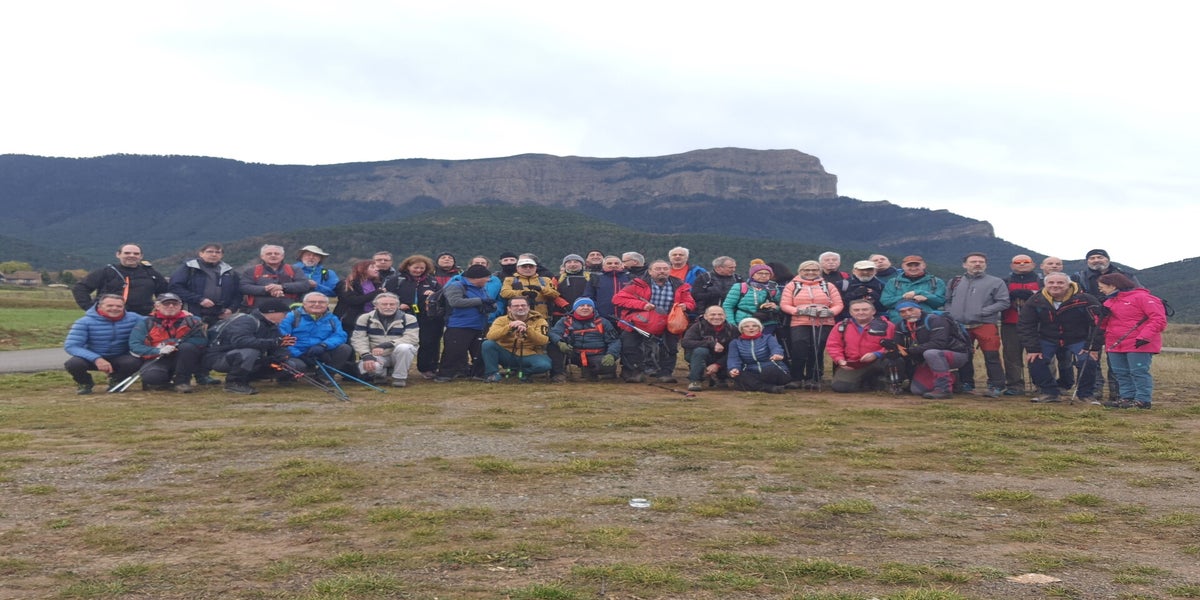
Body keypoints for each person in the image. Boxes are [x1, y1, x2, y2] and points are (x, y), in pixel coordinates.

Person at [1017, 273, 1103, 403]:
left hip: (1078, 338)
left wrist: (1092, 346)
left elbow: (1098, 323)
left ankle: (1085, 394)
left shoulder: (1086, 299)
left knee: (1088, 360)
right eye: (1051, 283)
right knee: (1035, 359)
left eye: (1060, 283)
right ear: (1045, 284)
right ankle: (1049, 392)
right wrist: (1032, 348)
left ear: (1068, 284)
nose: (1055, 285)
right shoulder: (1035, 300)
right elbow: (1026, 325)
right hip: (1048, 337)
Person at [1072, 248, 1142, 401]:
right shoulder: (1079, 277)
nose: (1096, 260)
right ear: (1087, 261)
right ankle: (1094, 390)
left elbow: (1137, 294)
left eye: (1100, 257)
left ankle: (1118, 392)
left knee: (1117, 358)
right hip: (1089, 322)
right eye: (1092, 258)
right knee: (1091, 356)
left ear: (1108, 259)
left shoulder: (1125, 275)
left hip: (1118, 321)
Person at [613, 259, 696, 383]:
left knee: (670, 348)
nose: (662, 271)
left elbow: (690, 302)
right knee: (630, 346)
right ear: (650, 271)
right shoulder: (637, 284)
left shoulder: (680, 285)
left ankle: (665, 373)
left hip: (669, 321)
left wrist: (686, 306)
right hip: (640, 321)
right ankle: (633, 372)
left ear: (670, 271)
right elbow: (618, 299)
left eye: (665, 269)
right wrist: (642, 305)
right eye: (658, 269)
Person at [944, 252, 1010, 398]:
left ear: (986, 265)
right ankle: (966, 383)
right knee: (964, 355)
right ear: (965, 264)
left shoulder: (996, 282)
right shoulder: (955, 282)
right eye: (973, 261)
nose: (977, 264)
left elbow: (1003, 302)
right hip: (960, 325)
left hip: (985, 323)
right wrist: (952, 313)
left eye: (981, 262)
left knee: (991, 355)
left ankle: (996, 385)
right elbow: (947, 301)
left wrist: (981, 312)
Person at [1097, 273, 1166, 409]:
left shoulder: (1143, 298)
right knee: (1120, 372)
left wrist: (1144, 336)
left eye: (1102, 287)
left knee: (1138, 372)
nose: (1100, 290)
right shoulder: (1108, 302)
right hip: (1115, 343)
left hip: (1138, 343)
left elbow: (1158, 319)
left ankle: (1142, 400)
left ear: (1112, 286)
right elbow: (1102, 326)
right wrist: (1101, 316)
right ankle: (1126, 398)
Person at [204, 297, 295, 395]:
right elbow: (240, 341)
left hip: (242, 357)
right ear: (273, 312)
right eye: (284, 314)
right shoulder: (246, 321)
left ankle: (248, 378)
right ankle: (234, 383)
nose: (285, 317)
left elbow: (278, 345)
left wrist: (282, 357)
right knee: (250, 352)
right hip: (220, 357)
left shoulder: (272, 326)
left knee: (289, 364)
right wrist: (274, 342)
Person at [888, 301, 972, 399]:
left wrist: (909, 350)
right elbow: (899, 345)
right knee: (917, 390)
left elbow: (938, 343)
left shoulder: (935, 320)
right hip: (928, 359)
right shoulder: (901, 325)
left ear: (919, 309)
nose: (908, 313)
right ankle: (953, 378)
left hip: (956, 354)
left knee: (931, 353)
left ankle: (944, 389)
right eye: (902, 312)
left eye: (911, 309)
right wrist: (892, 349)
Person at [780, 260, 843, 389]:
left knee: (817, 349)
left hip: (824, 322)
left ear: (819, 271)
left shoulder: (828, 286)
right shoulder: (792, 286)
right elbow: (785, 304)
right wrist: (799, 311)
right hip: (799, 321)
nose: (810, 272)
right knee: (798, 348)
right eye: (806, 270)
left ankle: (814, 377)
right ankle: (796, 377)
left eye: (814, 270)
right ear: (800, 271)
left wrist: (830, 312)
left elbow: (838, 304)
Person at [63, 294, 144, 394]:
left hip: (120, 356)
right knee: (73, 364)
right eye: (110, 305)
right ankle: (84, 383)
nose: (115, 308)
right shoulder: (83, 322)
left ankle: (117, 380)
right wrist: (96, 359)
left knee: (134, 362)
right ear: (100, 306)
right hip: (92, 357)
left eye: (119, 306)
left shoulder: (134, 318)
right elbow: (71, 346)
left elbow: (153, 322)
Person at [127, 293, 208, 393]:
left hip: (183, 358)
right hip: (157, 358)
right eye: (166, 303)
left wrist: (176, 344)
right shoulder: (146, 322)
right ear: (157, 306)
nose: (171, 306)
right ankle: (161, 381)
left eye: (175, 304)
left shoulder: (193, 321)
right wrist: (158, 350)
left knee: (187, 347)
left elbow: (202, 340)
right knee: (152, 377)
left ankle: (182, 382)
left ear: (180, 306)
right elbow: (135, 345)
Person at [382, 254, 443, 378]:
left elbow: (441, 295)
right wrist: (398, 305)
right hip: (401, 316)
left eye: (422, 268)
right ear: (408, 266)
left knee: (428, 342)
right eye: (416, 268)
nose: (419, 270)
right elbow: (386, 296)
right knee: (398, 341)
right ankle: (391, 367)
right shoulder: (396, 280)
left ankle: (427, 368)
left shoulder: (431, 281)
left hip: (426, 317)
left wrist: (433, 294)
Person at [435, 264, 496, 382]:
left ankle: (478, 373)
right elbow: (455, 302)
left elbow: (486, 301)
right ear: (477, 278)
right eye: (486, 278)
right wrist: (480, 301)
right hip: (459, 324)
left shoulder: (481, 288)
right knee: (454, 351)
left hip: (479, 324)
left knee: (479, 351)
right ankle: (445, 374)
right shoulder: (456, 286)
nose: (488, 280)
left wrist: (490, 306)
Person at [72, 243, 168, 316]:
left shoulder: (151, 273)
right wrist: (90, 308)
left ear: (141, 256)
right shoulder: (106, 271)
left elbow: (165, 293)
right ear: (118, 254)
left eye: (136, 253)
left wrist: (159, 311)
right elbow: (80, 288)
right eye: (127, 253)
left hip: (142, 318)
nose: (132, 255)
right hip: (108, 318)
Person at [826, 299, 897, 393]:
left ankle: (886, 381)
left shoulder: (888, 325)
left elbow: (894, 345)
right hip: (854, 363)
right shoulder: (841, 326)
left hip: (879, 361)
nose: (861, 312)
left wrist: (877, 354)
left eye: (865, 309)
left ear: (873, 311)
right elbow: (833, 345)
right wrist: (840, 360)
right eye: (856, 310)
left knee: (894, 360)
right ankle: (866, 382)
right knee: (841, 387)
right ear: (850, 313)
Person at [350, 292, 419, 387]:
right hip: (375, 354)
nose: (388, 307)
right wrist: (366, 355)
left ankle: (399, 378)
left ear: (398, 306)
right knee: (365, 367)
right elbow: (358, 339)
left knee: (405, 348)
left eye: (392, 304)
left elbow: (412, 338)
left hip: (397, 354)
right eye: (384, 304)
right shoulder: (365, 318)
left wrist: (386, 345)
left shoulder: (409, 318)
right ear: (376, 306)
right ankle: (380, 375)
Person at [547, 297, 620, 382]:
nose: (586, 308)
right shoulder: (565, 321)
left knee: (608, 366)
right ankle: (558, 373)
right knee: (553, 346)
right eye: (582, 305)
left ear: (593, 308)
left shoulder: (602, 322)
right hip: (572, 353)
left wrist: (611, 354)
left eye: (589, 306)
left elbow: (614, 341)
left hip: (596, 354)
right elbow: (554, 333)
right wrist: (560, 343)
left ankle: (591, 371)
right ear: (575, 308)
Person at [278, 292, 353, 374]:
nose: (317, 304)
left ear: (327, 304)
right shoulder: (290, 317)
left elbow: (340, 335)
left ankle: (324, 376)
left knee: (344, 348)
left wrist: (324, 345)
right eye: (312, 302)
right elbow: (283, 340)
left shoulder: (332, 319)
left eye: (321, 302)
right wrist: (299, 354)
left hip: (320, 351)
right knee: (298, 366)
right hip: (297, 353)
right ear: (304, 304)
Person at [482, 296, 552, 382]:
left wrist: (527, 329)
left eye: (523, 305)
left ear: (528, 307)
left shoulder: (540, 321)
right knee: (487, 344)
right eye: (516, 306)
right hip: (506, 353)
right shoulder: (500, 320)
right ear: (509, 308)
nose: (520, 308)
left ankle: (524, 372)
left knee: (544, 365)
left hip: (529, 354)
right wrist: (509, 327)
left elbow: (543, 341)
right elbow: (490, 336)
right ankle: (492, 374)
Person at [169, 243, 242, 326]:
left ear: (222, 255)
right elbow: (175, 287)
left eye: (218, 252)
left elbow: (238, 293)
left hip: (221, 316)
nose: (214, 254)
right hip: (192, 314)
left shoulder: (230, 272)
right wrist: (199, 299)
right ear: (201, 253)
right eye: (210, 252)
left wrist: (231, 309)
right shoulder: (190, 268)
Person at [1000, 254, 1042, 396]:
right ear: (1012, 265)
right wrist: (1010, 295)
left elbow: (1049, 295)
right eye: (1018, 262)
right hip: (1010, 323)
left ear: (1033, 264)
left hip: (1037, 324)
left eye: (1026, 261)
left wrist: (1031, 294)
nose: (1022, 264)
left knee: (1039, 354)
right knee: (1011, 355)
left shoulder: (1042, 281)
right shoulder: (1004, 282)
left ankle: (1042, 384)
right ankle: (1015, 385)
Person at [680, 305, 736, 392]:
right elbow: (685, 342)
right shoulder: (697, 327)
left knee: (733, 354)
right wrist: (711, 343)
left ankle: (720, 377)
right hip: (698, 356)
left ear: (725, 316)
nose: (716, 317)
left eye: (720, 314)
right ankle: (695, 380)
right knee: (701, 351)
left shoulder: (732, 329)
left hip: (721, 358)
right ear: (705, 316)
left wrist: (718, 364)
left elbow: (734, 351)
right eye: (712, 314)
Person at [726, 317, 790, 394]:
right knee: (737, 374)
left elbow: (776, 348)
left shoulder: (769, 338)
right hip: (751, 372)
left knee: (769, 370)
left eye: (754, 326)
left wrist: (777, 354)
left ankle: (755, 386)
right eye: (746, 326)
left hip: (771, 369)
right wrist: (733, 368)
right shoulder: (735, 343)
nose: (751, 328)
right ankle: (769, 388)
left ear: (759, 328)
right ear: (742, 330)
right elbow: (733, 358)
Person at [240, 244, 311, 308]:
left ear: (282, 256)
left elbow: (304, 285)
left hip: (289, 308)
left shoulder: (294, 270)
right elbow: (244, 287)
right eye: (269, 254)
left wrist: (282, 287)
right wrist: (266, 289)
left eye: (276, 253)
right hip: (258, 309)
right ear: (262, 256)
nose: (273, 255)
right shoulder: (251, 271)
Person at [880, 255, 946, 323]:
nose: (913, 268)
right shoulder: (893, 282)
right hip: (900, 321)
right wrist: (906, 297)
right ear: (903, 266)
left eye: (917, 265)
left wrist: (926, 297)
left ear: (924, 265)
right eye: (909, 265)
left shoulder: (936, 282)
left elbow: (941, 301)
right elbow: (886, 301)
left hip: (928, 321)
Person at [722, 263, 782, 335]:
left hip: (768, 324)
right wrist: (732, 325)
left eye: (767, 274)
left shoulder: (774, 289)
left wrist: (775, 307)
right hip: (744, 323)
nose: (764, 275)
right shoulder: (740, 287)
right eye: (760, 273)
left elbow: (782, 307)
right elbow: (728, 306)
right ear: (752, 275)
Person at [501, 256, 566, 318]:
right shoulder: (510, 280)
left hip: (541, 316)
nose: (528, 268)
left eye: (531, 266)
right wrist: (522, 293)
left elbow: (555, 294)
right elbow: (504, 293)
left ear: (536, 268)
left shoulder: (545, 280)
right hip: (517, 317)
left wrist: (541, 289)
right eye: (524, 266)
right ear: (517, 268)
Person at [332, 259, 384, 335]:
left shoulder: (377, 283)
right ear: (363, 269)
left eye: (377, 267)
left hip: (371, 318)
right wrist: (376, 293)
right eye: (373, 267)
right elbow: (352, 300)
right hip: (349, 320)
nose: (377, 269)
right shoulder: (347, 284)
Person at [583, 255, 631, 323]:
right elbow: (588, 297)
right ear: (603, 266)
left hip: (627, 318)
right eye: (609, 263)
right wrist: (598, 309)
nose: (613, 265)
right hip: (603, 319)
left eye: (616, 263)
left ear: (621, 266)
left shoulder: (630, 278)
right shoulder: (596, 278)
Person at [554, 254, 592, 319]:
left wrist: (582, 304)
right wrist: (565, 305)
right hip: (562, 313)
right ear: (564, 265)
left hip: (585, 311)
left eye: (576, 262)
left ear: (582, 265)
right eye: (569, 262)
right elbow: (553, 294)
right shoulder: (557, 278)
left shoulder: (590, 277)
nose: (572, 264)